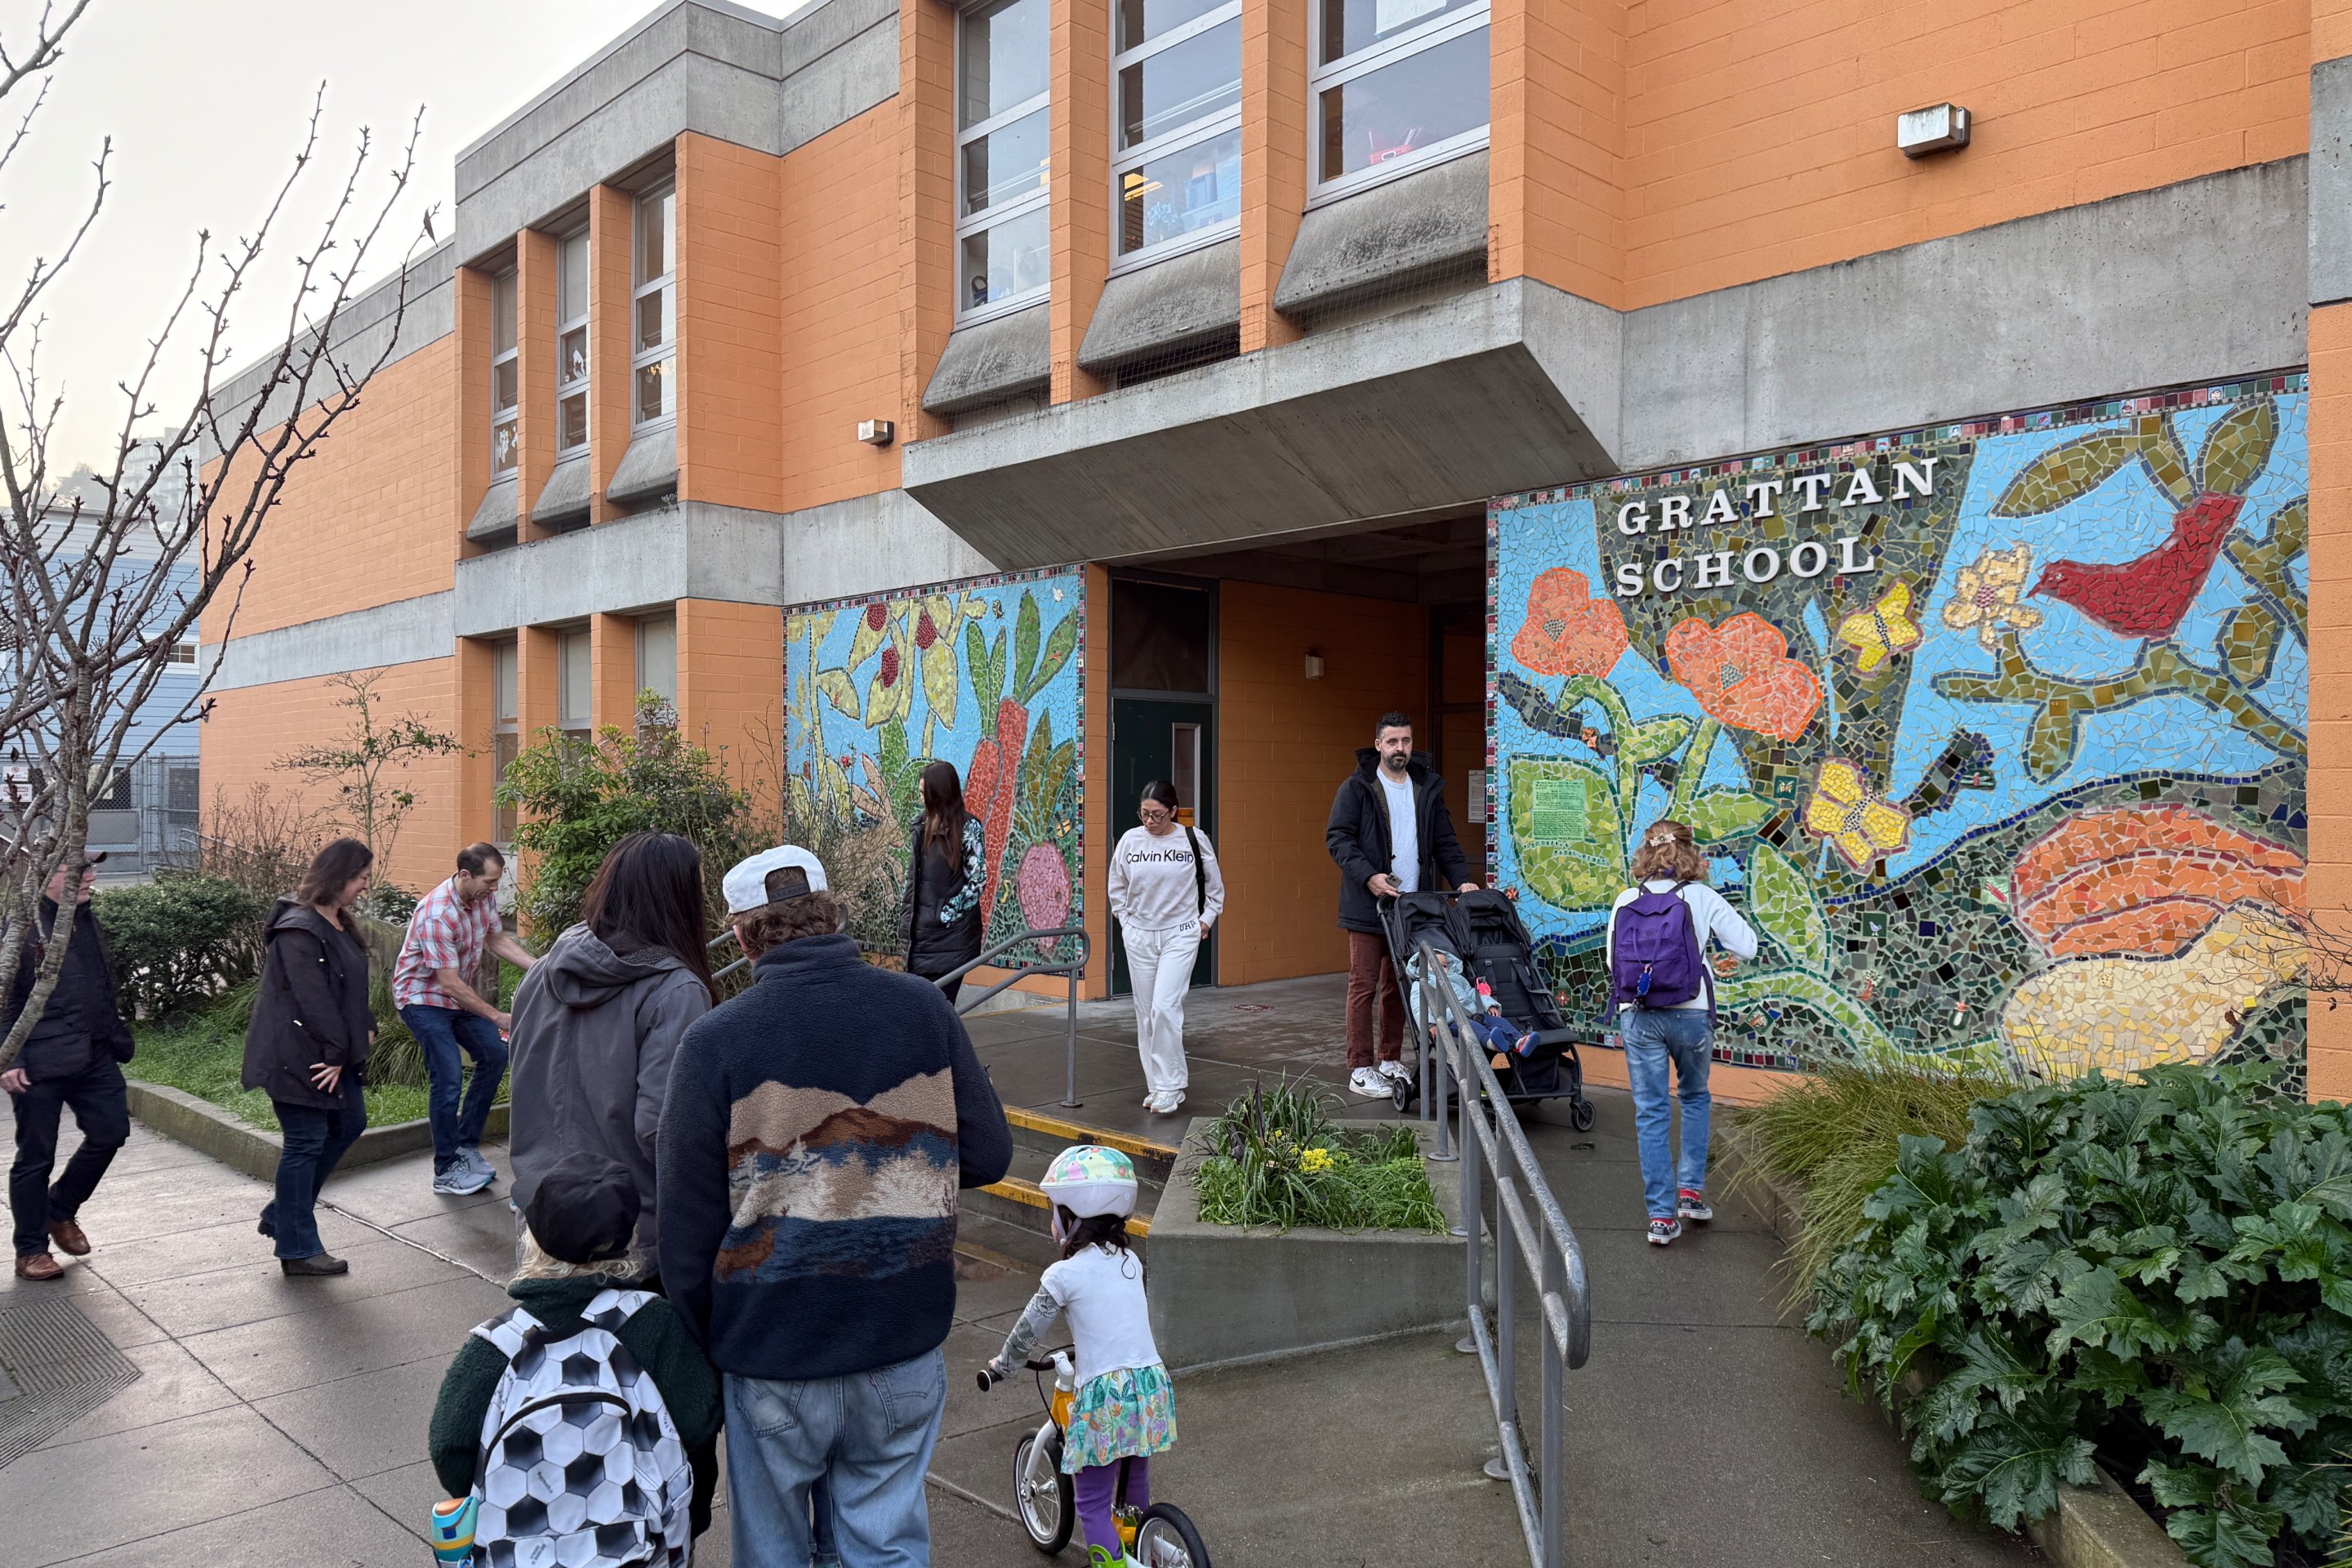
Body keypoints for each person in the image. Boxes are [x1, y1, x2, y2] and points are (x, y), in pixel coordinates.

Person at [658, 844, 1012, 1568]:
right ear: (832, 914)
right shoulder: (922, 1007)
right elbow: (988, 1153)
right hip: (901, 1337)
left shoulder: (713, 1043)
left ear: (742, 937)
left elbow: (685, 1228)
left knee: (775, 1554)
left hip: (770, 1350)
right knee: (886, 1547)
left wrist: (712, 1342)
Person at [426, 1151, 722, 1562]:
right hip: (641, 1547)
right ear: (627, 1240)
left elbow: (450, 1447)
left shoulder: (496, 1345)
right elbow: (698, 1425)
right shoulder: (653, 1323)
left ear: (533, 1238)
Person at [507, 831, 715, 1279]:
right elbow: (662, 1129)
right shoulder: (675, 991)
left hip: (542, 1220)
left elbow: (522, 1081)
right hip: (628, 1233)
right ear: (678, 899)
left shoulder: (541, 973)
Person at [984, 1146, 1174, 1568]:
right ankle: (1140, 1543)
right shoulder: (1129, 1261)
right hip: (1149, 1386)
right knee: (1135, 1478)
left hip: (1106, 1396)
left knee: (1090, 1502)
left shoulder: (1063, 1275)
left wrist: (1003, 1366)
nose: (1052, 1221)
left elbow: (1026, 1334)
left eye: (1054, 1211)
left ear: (1072, 1216)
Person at [1606, 820, 1757, 1247]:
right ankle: (1690, 1194)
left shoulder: (1626, 900)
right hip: (1692, 1013)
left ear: (1645, 853)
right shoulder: (1702, 897)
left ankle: (1660, 1216)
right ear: (1690, 853)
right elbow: (1747, 947)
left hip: (1639, 1015)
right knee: (1694, 1097)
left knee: (1651, 1110)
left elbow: (1612, 963)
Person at [1325, 711, 1477, 1100]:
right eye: (1392, 741)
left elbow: (1445, 842)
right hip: (1369, 905)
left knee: (1401, 985)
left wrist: (1462, 880)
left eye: (1406, 741)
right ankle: (1360, 1068)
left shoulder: (1426, 787)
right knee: (1364, 985)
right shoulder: (1358, 786)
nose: (1400, 748)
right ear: (1378, 744)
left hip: (1412, 909)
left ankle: (1390, 1059)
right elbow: (1338, 838)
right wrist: (1369, 877)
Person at [243, 837, 377, 1276]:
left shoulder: (337, 922)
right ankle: (298, 1249)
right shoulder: (298, 929)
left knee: (350, 1123)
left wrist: (366, 1023)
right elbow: (311, 999)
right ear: (338, 876)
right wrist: (337, 1052)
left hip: (331, 1053)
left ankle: (283, 1213)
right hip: (298, 1056)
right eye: (360, 878)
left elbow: (350, 985)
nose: (364, 886)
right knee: (305, 1142)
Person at [3, 851, 131, 1282]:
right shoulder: (23, 929)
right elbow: (4, 1000)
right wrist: (10, 1058)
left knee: (111, 1132)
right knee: (36, 1156)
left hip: (94, 1053)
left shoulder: (83, 918)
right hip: (38, 1064)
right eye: (78, 869)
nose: (90, 877)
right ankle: (30, 1250)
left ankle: (59, 1210)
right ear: (47, 875)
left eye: (90, 868)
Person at [393, 843, 537, 1198]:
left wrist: (541, 968)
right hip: (422, 999)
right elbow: (449, 984)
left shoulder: (481, 897)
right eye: (490, 882)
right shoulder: (437, 914)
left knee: (495, 1055)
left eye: (497, 881)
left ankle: (466, 1146)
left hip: (454, 996)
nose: (495, 888)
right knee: (449, 1076)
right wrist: (498, 1017)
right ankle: (445, 1168)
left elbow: (497, 940)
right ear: (465, 875)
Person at [1105, 780, 1223, 1116]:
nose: (1150, 821)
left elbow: (1214, 887)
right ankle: (1157, 1085)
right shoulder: (1130, 840)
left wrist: (1206, 920)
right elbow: (1117, 885)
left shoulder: (1193, 839)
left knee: (1164, 1007)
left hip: (1180, 934)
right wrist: (1125, 921)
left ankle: (1172, 1085)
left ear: (1173, 811)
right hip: (1140, 934)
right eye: (1144, 814)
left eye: (1157, 814)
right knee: (1145, 1013)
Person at [898, 760, 984, 1004]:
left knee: (938, 1009)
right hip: (919, 940)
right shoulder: (919, 826)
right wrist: (906, 921)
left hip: (949, 941)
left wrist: (945, 915)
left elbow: (977, 881)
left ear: (939, 794)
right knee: (921, 1011)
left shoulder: (968, 828)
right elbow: (914, 882)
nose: (921, 799)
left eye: (925, 793)